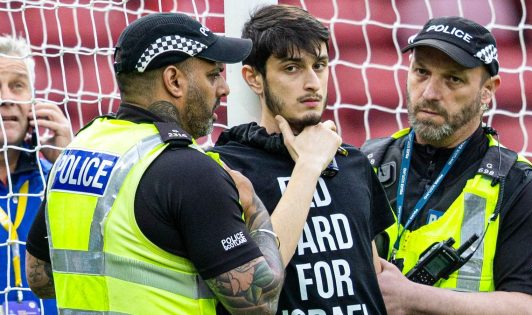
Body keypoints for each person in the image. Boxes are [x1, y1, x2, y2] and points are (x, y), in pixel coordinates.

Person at [24, 12, 285, 314]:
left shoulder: (78, 151)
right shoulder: (190, 171)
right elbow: (261, 302)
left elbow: (40, 278)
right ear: (173, 80)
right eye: (213, 75)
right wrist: (254, 209)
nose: (224, 89)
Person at [361, 16, 532, 314]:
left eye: (453, 79)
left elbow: (527, 307)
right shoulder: (367, 162)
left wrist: (412, 297)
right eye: (421, 72)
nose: (429, 93)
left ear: (488, 90)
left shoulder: (514, 184)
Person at [210, 5, 394, 315]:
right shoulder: (227, 168)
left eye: (319, 65)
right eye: (292, 68)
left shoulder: (353, 163)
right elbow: (257, 285)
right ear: (253, 78)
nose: (312, 83)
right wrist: (307, 167)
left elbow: (370, 275)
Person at [0, 35, 71, 314]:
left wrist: (70, 166)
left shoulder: (55, 181)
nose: (5, 98)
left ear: (33, 102)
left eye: (17, 86)